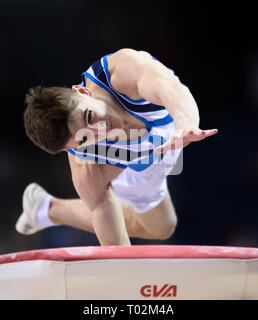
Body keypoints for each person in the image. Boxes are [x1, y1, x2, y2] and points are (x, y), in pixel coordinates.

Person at [16, 48, 218, 246]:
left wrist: (185, 123)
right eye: (85, 139)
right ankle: (47, 210)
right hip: (135, 167)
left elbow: (174, 91)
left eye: (89, 117)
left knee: (163, 227)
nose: (101, 130)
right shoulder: (87, 164)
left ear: (83, 91)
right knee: (162, 229)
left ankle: (45, 209)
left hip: (173, 122)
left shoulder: (121, 73)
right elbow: (115, 243)